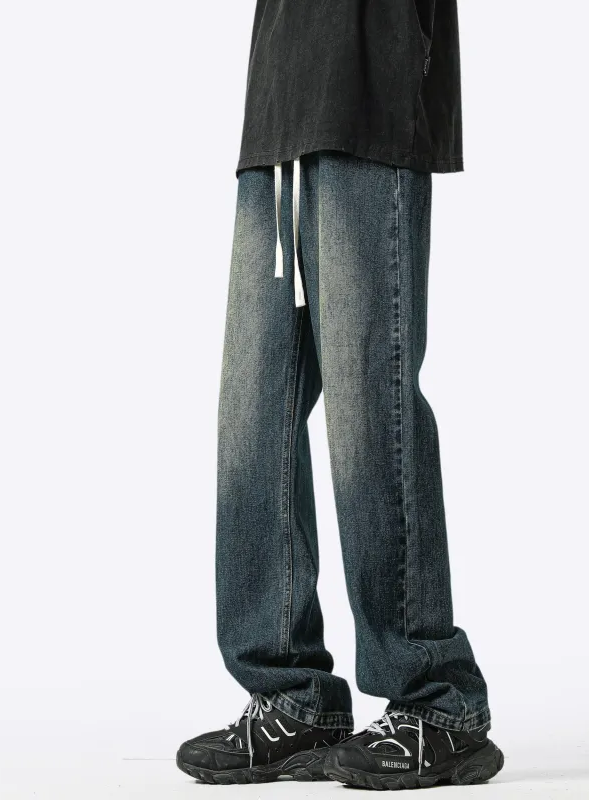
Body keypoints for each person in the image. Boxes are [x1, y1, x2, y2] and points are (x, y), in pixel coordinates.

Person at [176, 0, 503, 789]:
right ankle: (292, 695)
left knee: (370, 410)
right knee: (252, 420)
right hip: (277, 118)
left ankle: (439, 702)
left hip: (368, 98)